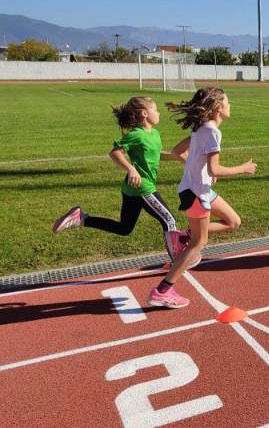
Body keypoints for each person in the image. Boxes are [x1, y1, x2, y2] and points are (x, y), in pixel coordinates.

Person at [147, 87, 257, 309]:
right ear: (218, 107)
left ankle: (183, 237)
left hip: (201, 189)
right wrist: (243, 168)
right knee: (199, 242)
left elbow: (177, 151)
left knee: (233, 222)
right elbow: (215, 169)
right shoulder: (212, 132)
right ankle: (162, 290)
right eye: (227, 101)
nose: (230, 105)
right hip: (197, 193)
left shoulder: (200, 130)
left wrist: (198, 170)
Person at [53, 96, 189, 260]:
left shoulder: (154, 134)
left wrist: (177, 157)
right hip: (142, 187)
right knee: (169, 220)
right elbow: (115, 152)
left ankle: (81, 218)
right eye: (155, 109)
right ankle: (177, 262)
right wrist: (131, 169)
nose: (158, 113)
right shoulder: (136, 135)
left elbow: (155, 154)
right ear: (144, 113)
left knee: (124, 228)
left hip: (131, 189)